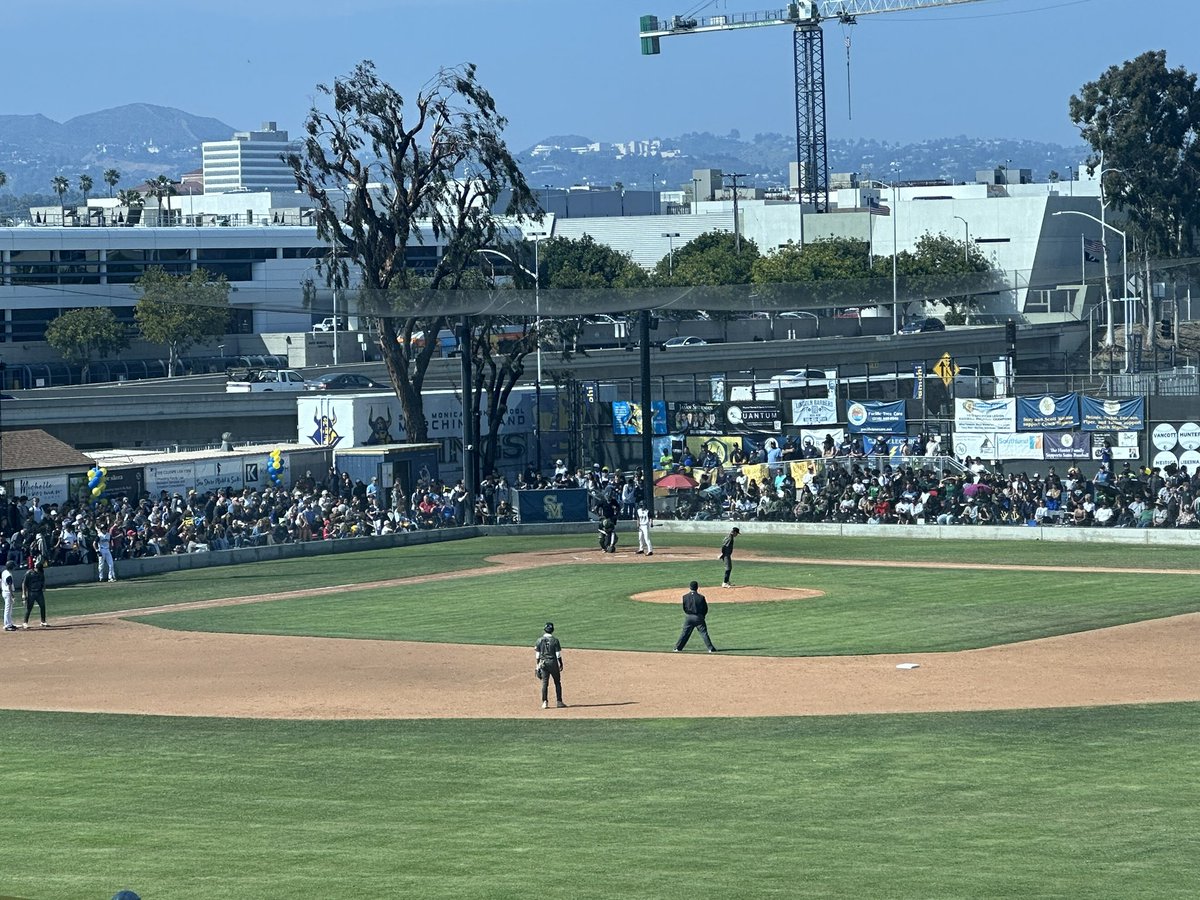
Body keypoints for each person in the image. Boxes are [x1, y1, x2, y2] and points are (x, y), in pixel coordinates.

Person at [674, 580, 717, 652]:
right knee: (704, 633)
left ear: (690, 587)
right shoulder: (701, 597)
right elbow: (705, 608)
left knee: (685, 633)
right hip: (699, 617)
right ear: (697, 587)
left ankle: (677, 648)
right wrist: (702, 616)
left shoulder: (685, 597)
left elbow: (684, 608)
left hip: (689, 617)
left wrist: (688, 614)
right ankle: (710, 648)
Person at [535, 622, 566, 709]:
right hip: (553, 663)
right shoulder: (555, 640)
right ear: (552, 630)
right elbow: (558, 654)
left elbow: (537, 655)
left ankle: (544, 702)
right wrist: (561, 663)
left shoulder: (539, 640)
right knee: (557, 682)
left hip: (543, 663)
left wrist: (537, 666)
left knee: (545, 683)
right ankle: (559, 702)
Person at [22, 560, 48, 628]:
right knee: (29, 608)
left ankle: (43, 621)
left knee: (42, 606)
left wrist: (43, 587)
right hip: (31, 593)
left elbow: (43, 580)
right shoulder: (29, 573)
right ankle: (25, 622)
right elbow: (24, 584)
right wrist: (24, 594)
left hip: (39, 592)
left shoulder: (41, 572)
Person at [2, 560, 15, 631]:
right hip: (8, 593)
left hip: (5, 592)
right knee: (8, 609)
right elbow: (9, 586)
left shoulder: (4, 572)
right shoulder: (8, 575)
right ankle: (7, 625)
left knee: (9, 609)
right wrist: (12, 595)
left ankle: (9, 623)